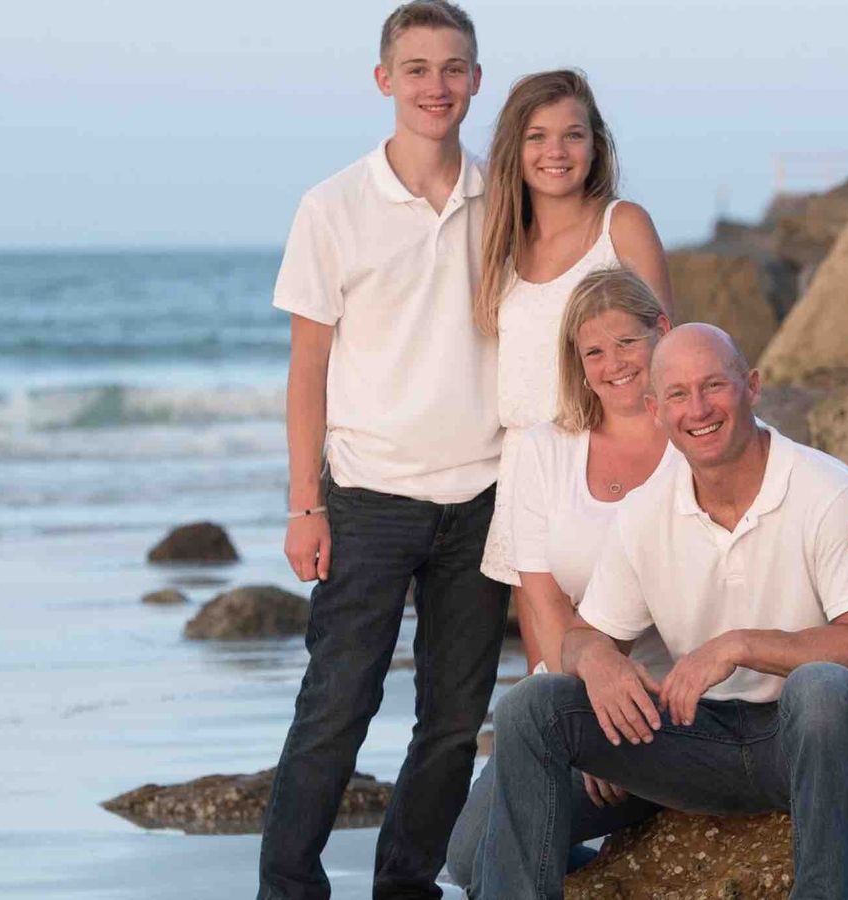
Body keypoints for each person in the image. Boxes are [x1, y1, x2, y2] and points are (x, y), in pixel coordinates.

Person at [450, 271, 848, 896]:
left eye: (713, 386)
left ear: (752, 387)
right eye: (678, 395)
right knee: (532, 707)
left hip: (820, 736)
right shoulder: (643, 511)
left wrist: (740, 645)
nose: (698, 409)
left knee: (822, 688)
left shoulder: (832, 494)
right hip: (699, 736)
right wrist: (599, 669)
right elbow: (582, 634)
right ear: (657, 408)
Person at [257, 4, 509, 898]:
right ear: (384, 81)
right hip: (367, 497)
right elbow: (308, 367)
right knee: (336, 709)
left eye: (453, 68)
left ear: (476, 80)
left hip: (486, 498)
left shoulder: (507, 199)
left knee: (453, 723)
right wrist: (305, 503)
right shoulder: (332, 207)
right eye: (417, 69)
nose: (437, 86)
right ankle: (288, 889)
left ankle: (407, 886)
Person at [472, 70, 673, 673]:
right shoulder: (502, 245)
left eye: (572, 135)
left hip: (615, 453)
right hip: (529, 468)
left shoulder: (622, 225)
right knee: (551, 677)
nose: (555, 151)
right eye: (537, 136)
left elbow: (666, 350)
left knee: (644, 656)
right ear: (515, 148)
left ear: (595, 144)